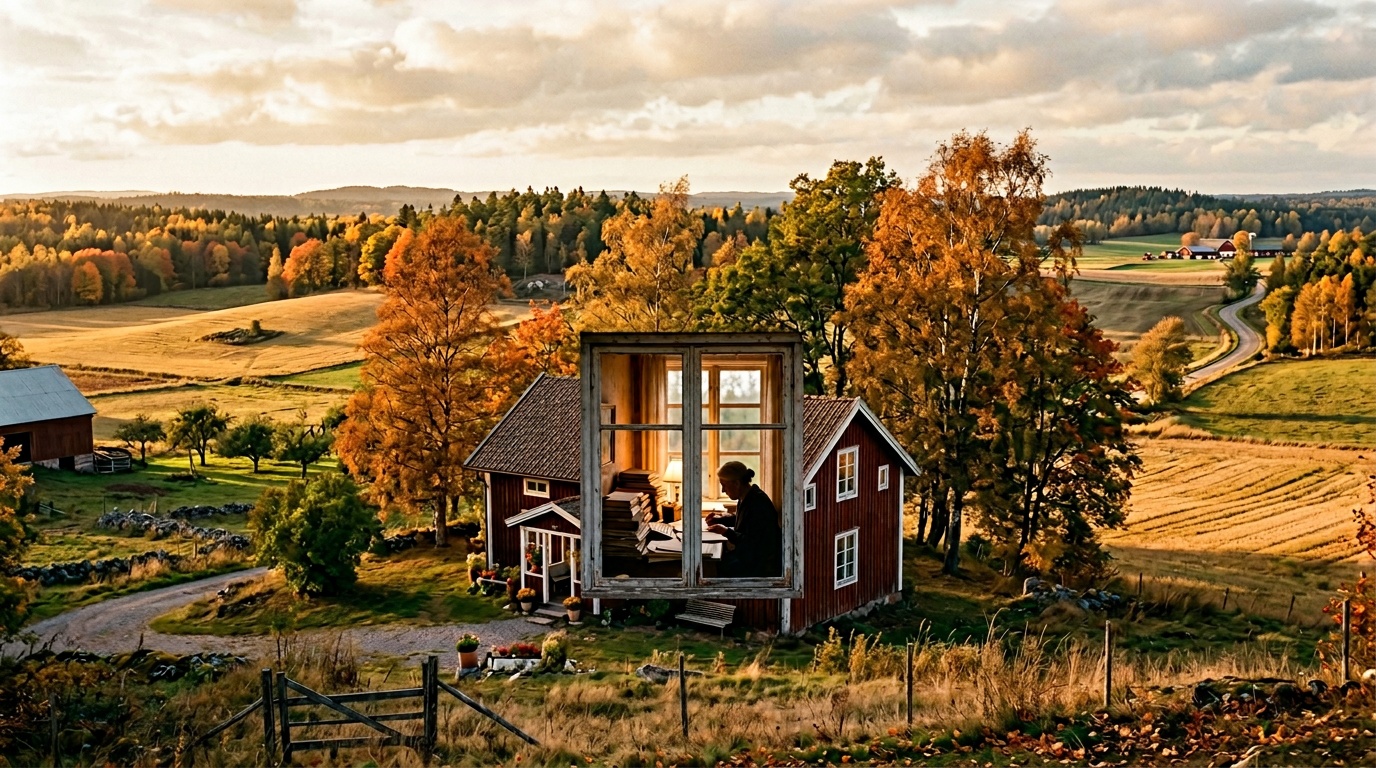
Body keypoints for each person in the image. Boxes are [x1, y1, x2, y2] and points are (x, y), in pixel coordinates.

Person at [706, 461, 782, 578]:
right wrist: (718, 520)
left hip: (757, 563)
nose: (722, 490)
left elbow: (752, 542)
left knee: (711, 566)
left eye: (724, 485)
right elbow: (743, 520)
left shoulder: (757, 503)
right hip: (748, 556)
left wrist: (726, 531)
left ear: (736, 483)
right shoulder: (747, 496)